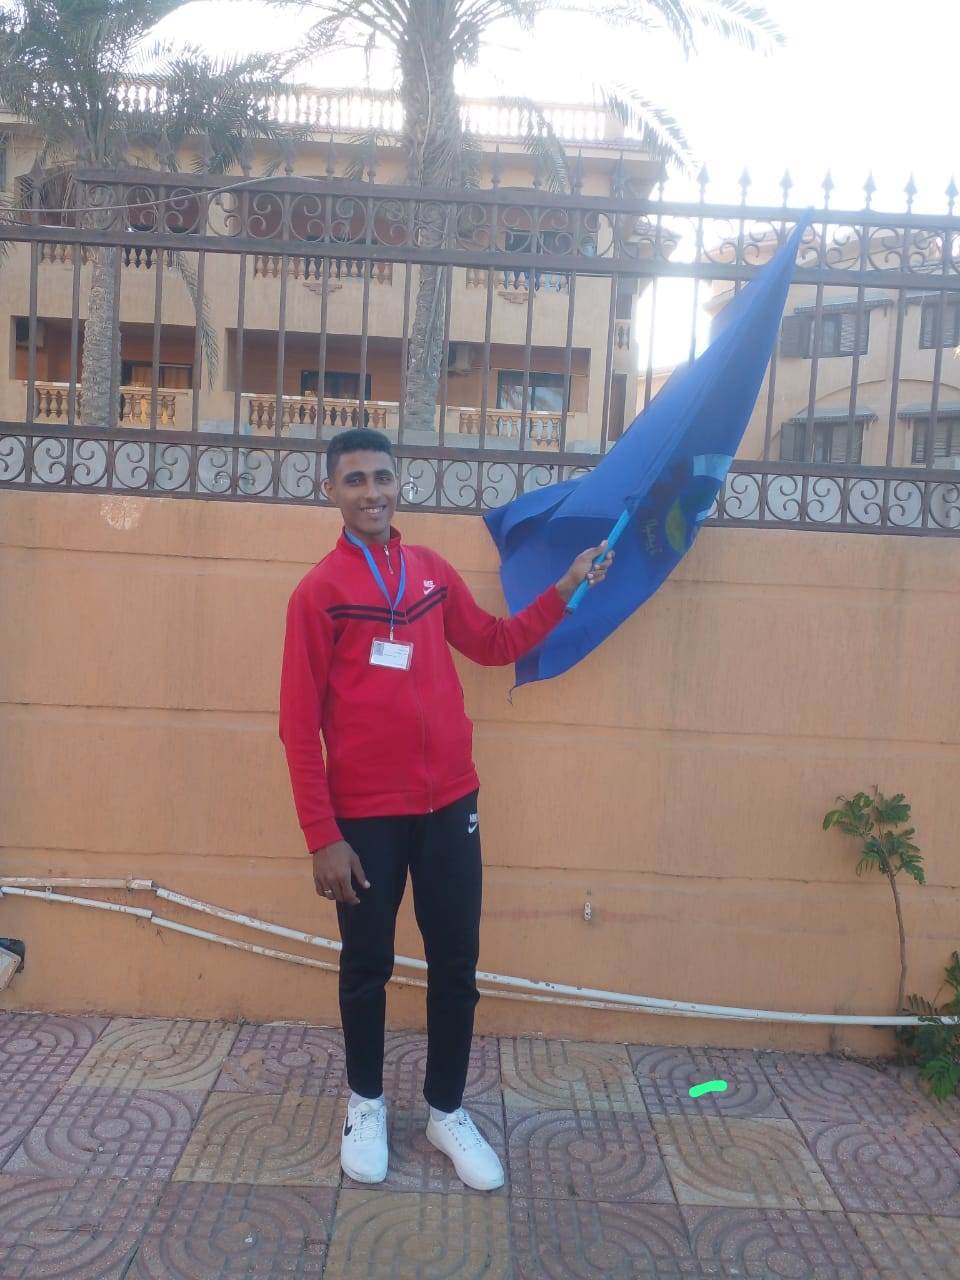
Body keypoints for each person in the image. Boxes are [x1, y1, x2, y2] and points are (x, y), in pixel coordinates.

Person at [279, 427, 612, 1190]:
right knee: (366, 964)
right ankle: (365, 1103)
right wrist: (322, 836)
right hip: (364, 816)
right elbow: (298, 727)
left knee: (456, 964)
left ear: (400, 483)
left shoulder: (430, 572)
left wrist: (566, 587)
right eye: (355, 480)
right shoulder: (318, 593)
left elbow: (493, 643)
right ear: (330, 491)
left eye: (382, 477)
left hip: (450, 802)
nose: (372, 493)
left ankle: (446, 1110)